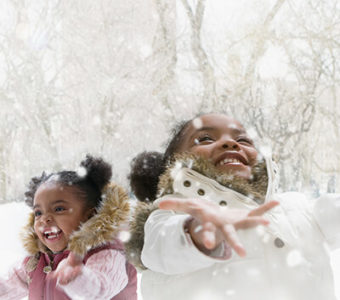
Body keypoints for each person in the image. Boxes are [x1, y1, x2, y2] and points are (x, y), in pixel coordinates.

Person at [126, 113, 340, 300]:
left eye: (243, 140)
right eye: (206, 138)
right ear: (173, 162)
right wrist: (198, 232)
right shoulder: (169, 214)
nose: (230, 143)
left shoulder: (296, 205)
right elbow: (162, 247)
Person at [0, 155, 137, 300]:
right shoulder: (36, 263)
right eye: (38, 212)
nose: (44, 218)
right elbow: (6, 287)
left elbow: (100, 287)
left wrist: (78, 278)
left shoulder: (108, 254)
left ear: (90, 216)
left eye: (59, 209)